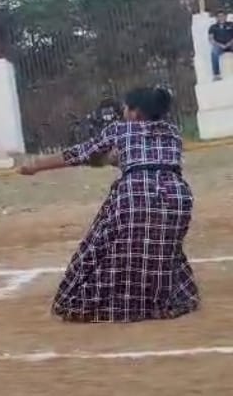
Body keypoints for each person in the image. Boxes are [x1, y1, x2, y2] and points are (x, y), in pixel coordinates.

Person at [20, 87, 199, 322]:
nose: (123, 111)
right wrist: (109, 159)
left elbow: (78, 154)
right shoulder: (173, 133)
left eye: (125, 107)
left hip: (134, 196)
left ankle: (120, 299)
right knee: (158, 241)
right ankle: (157, 295)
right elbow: (135, 159)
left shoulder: (120, 130)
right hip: (177, 199)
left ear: (135, 113)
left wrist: (35, 166)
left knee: (103, 243)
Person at [208, 11, 233, 80]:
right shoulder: (212, 27)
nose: (221, 18)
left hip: (231, 44)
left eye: (222, 16)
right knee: (214, 52)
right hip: (219, 45)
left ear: (226, 17)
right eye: (219, 16)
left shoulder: (231, 24)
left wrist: (230, 43)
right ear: (216, 18)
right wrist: (220, 45)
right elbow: (211, 39)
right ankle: (216, 74)